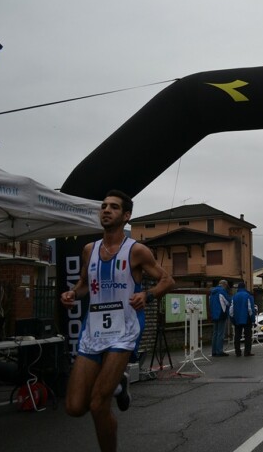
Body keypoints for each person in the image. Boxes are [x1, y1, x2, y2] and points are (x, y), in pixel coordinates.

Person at [61, 190, 174, 452]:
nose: (106, 210)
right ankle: (120, 385)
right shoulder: (89, 250)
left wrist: (147, 295)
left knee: (98, 404)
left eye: (113, 207)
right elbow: (84, 284)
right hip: (93, 331)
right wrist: (72, 294)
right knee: (74, 407)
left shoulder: (136, 251)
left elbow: (168, 280)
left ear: (126, 216)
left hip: (124, 331)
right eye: (103, 206)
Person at [230, 282, 256, 356]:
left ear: (238, 288)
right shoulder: (248, 295)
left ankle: (237, 352)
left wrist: (232, 319)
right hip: (247, 318)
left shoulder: (234, 296)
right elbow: (250, 309)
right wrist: (253, 319)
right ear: (245, 287)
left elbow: (231, 310)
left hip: (237, 318)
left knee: (237, 335)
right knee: (248, 335)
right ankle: (247, 352)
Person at [209, 280, 231, 356]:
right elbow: (228, 302)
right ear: (224, 285)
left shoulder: (212, 292)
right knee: (220, 333)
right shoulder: (222, 291)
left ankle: (214, 351)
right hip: (221, 313)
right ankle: (219, 351)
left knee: (215, 333)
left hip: (214, 314)